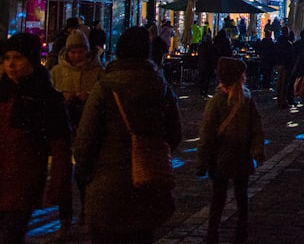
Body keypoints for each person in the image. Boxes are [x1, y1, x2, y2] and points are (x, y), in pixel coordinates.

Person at [73, 27, 182, 243]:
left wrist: (84, 177)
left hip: (106, 188)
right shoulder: (161, 87)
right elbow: (174, 135)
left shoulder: (105, 87)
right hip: (147, 185)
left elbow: (84, 141)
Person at [0, 33, 72, 243]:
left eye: (18, 58)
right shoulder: (3, 91)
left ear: (31, 60)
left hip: (22, 184)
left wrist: (59, 185)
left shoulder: (45, 97)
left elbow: (60, 145)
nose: (11, 64)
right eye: (7, 58)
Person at [196, 57, 265, 244]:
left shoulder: (221, 101)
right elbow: (256, 128)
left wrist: (201, 161)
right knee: (239, 197)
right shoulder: (243, 99)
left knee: (220, 197)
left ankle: (214, 234)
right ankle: (238, 233)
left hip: (222, 156)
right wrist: (257, 150)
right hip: (239, 155)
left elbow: (206, 133)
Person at [50, 30, 104, 236]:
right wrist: (64, 96)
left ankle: (85, 208)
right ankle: (65, 219)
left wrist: (88, 96)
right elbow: (51, 97)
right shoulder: (56, 71)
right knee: (63, 174)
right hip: (62, 127)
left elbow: (103, 97)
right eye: (73, 52)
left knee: (84, 171)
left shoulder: (98, 71)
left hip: (87, 127)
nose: (76, 56)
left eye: (80, 51)